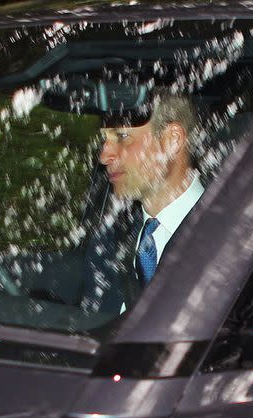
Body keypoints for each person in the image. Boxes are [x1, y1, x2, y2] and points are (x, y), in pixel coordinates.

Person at [80, 89, 204, 314]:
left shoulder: (231, 239)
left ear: (172, 140)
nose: (104, 156)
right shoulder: (107, 244)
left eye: (122, 136)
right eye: (105, 140)